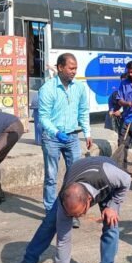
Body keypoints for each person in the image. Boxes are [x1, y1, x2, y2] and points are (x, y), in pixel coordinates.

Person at [9, 156, 131, 263]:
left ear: (89, 201)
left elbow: (126, 180)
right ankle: (29, 260)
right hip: (76, 174)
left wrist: (113, 206)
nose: (74, 217)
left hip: (107, 181)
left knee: (111, 224)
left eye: (78, 214)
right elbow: (63, 240)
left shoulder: (109, 175)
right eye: (71, 215)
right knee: (49, 223)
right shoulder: (65, 202)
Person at [37, 53, 92, 213]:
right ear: (60, 67)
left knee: (75, 175)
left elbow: (83, 111)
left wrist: (87, 133)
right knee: (51, 176)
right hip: (52, 138)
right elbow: (43, 117)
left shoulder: (79, 87)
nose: (74, 71)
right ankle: (50, 211)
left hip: (72, 137)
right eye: (71, 68)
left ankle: (71, 209)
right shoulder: (47, 89)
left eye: (75, 68)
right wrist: (56, 132)